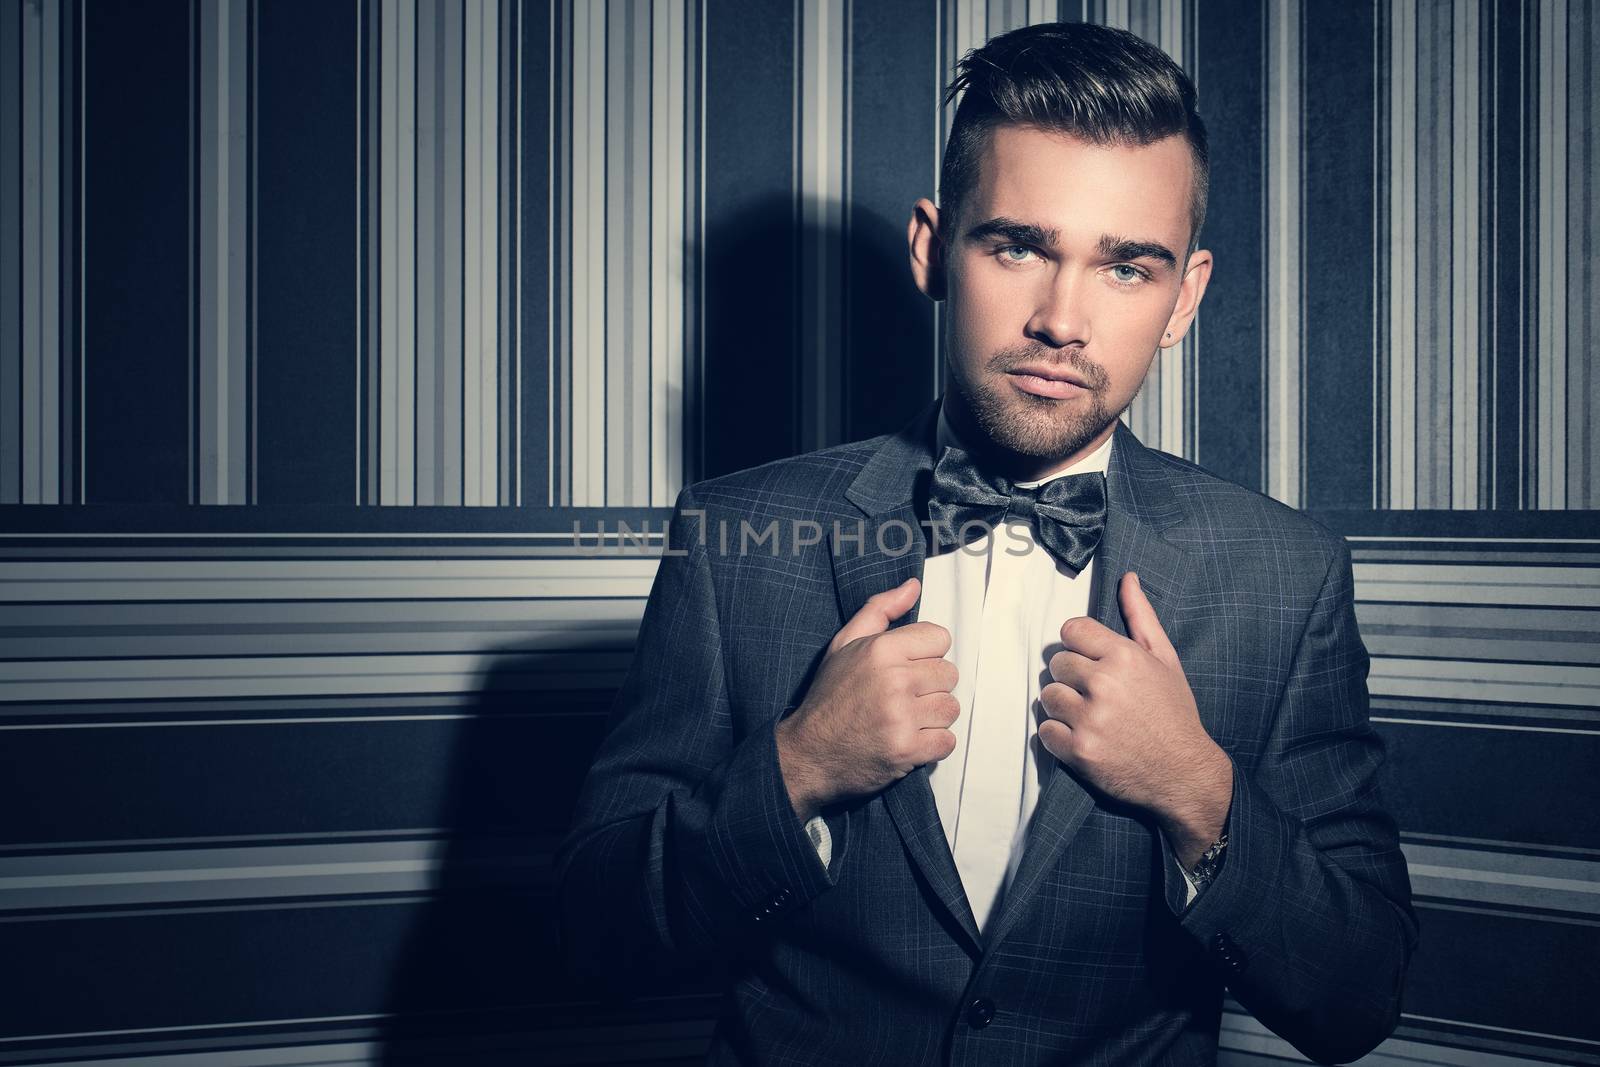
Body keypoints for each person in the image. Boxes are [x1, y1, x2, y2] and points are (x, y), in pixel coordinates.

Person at [557, 21, 1417, 1066]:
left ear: (1184, 296)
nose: (1062, 318)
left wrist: (1198, 789)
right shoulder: (734, 536)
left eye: (1126, 267)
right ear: (932, 248)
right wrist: (797, 769)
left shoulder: (1289, 574)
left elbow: (1355, 997)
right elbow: (596, 938)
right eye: (1018, 246)